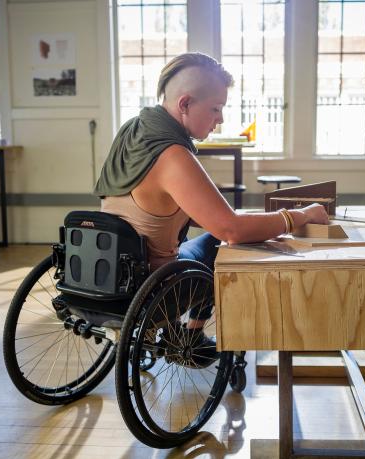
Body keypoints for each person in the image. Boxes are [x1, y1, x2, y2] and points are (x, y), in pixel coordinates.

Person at [94, 52, 329, 365]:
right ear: (185, 103)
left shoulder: (134, 130)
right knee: (226, 242)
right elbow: (230, 230)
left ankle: (184, 331)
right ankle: (191, 334)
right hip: (153, 285)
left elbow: (154, 203)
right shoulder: (173, 154)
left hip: (109, 271)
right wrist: (301, 215)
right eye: (216, 108)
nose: (220, 118)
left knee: (224, 230)